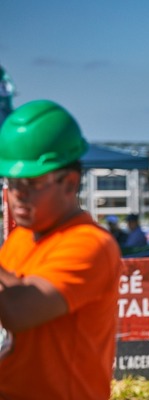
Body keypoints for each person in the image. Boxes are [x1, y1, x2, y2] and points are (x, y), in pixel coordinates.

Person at [0, 99, 122, 399]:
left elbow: (17, 311)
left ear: (69, 181)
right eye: (11, 182)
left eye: (29, 183)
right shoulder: (21, 238)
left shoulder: (91, 244)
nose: (16, 194)